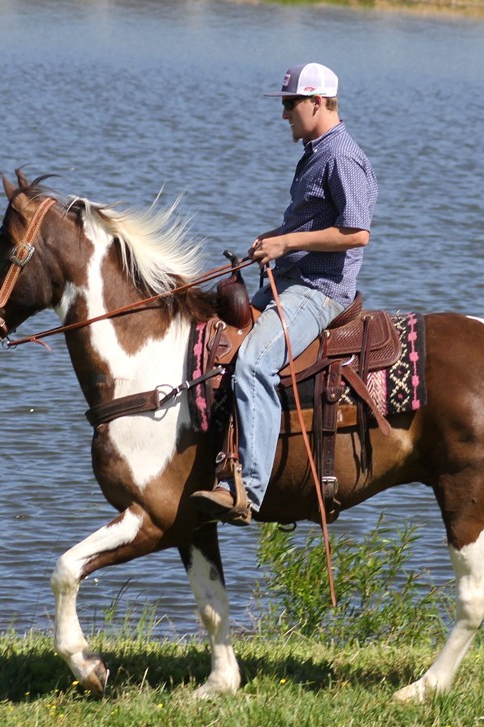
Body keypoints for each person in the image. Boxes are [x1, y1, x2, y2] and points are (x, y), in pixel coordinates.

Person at [192, 62, 379, 525]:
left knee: (255, 362)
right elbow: (310, 223)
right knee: (214, 334)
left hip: (319, 291)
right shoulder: (315, 151)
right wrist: (273, 238)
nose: (284, 116)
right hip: (293, 280)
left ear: (317, 102)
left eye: (290, 104)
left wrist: (286, 243)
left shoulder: (342, 157)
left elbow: (357, 234)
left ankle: (248, 491)